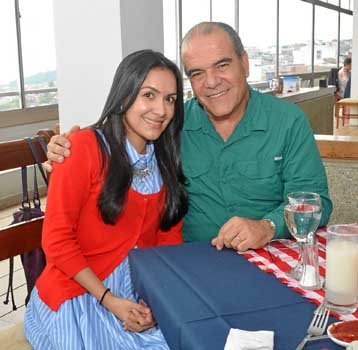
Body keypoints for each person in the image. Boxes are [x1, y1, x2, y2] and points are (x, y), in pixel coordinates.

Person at [45, 22, 332, 253]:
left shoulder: (288, 121)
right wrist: (67, 151)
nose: (210, 82)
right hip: (191, 262)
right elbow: (117, 150)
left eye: (222, 65)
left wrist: (267, 226)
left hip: (269, 255)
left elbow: (317, 201)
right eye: (197, 73)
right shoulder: (170, 124)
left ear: (244, 63)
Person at [24, 49, 188, 350]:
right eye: (148, 95)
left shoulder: (163, 160)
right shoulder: (83, 148)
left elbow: (168, 240)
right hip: (78, 294)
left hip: (137, 292)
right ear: (124, 95)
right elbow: (57, 240)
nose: (162, 110)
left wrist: (152, 302)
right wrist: (108, 299)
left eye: (170, 99)